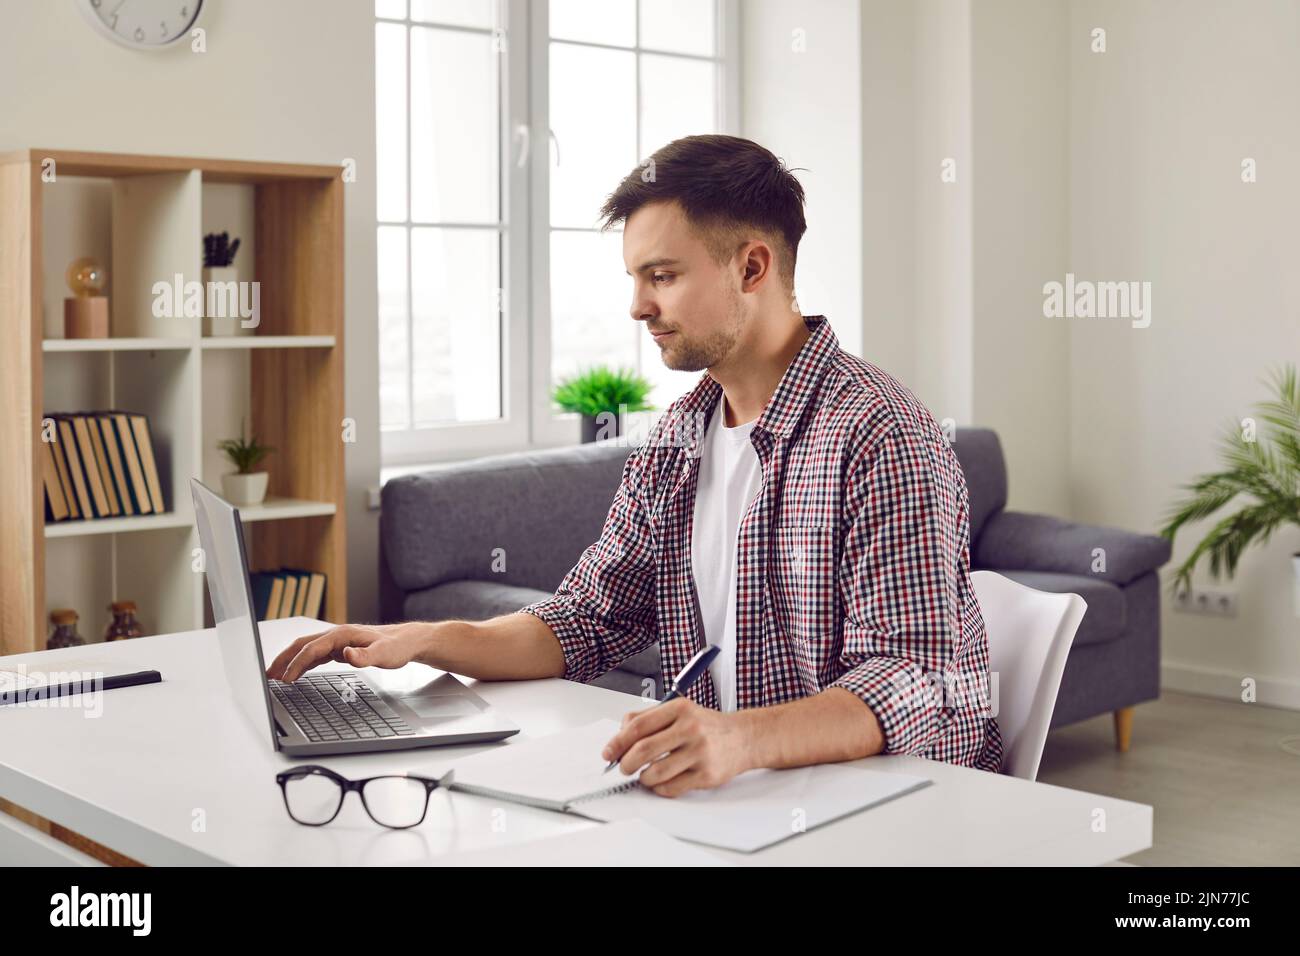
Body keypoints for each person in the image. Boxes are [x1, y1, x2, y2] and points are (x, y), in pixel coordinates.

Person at [267, 134, 1003, 796]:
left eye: (662, 275)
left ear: (752, 266)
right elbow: (588, 620)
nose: (637, 307)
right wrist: (419, 640)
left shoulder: (880, 434)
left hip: (897, 808)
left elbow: (917, 679)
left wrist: (737, 738)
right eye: (635, 277)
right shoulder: (677, 440)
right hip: (744, 799)